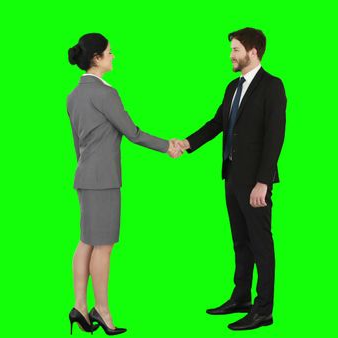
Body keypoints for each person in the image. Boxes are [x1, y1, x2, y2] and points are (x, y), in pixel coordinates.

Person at [66, 33, 183, 335]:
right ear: (96, 59)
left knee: (86, 242)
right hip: (104, 179)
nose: (113, 56)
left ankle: (79, 307)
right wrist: (167, 145)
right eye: (109, 52)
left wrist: (86, 167)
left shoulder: (74, 95)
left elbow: (77, 143)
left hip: (84, 176)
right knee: (103, 246)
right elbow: (132, 132)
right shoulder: (106, 94)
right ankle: (102, 311)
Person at [175, 27, 287, 331]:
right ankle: (241, 297)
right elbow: (218, 123)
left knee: (261, 243)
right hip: (232, 176)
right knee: (240, 241)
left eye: (235, 49)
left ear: (253, 52)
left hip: (255, 182)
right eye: (231, 50)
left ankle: (263, 309)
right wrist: (187, 143)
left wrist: (263, 182)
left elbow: (275, 136)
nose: (231, 55)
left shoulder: (272, 86)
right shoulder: (232, 87)